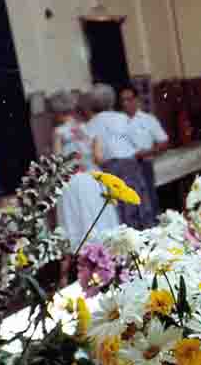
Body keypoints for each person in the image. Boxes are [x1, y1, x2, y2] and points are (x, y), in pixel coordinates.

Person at [50, 90, 120, 282]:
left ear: (57, 112)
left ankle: (70, 279)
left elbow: (57, 163)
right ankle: (109, 270)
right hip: (92, 180)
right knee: (98, 223)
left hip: (72, 183)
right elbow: (99, 157)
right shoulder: (90, 128)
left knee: (73, 226)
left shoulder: (59, 133)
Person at [85, 83, 153, 228]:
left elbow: (92, 152)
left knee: (119, 207)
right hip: (129, 164)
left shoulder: (90, 124)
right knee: (138, 200)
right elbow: (137, 142)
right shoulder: (121, 118)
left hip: (108, 168)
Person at [119, 84, 169, 221]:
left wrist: (148, 152)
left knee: (149, 199)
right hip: (125, 166)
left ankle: (153, 225)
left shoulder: (148, 120)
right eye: (122, 100)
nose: (125, 103)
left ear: (136, 100)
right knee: (129, 204)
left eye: (129, 99)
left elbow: (163, 142)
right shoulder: (118, 122)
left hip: (144, 163)